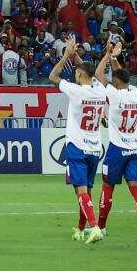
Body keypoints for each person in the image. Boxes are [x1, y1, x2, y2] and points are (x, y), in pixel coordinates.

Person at [51, 34, 106, 244]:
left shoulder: (75, 91)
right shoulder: (100, 90)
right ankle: (81, 229)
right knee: (86, 192)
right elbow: (88, 73)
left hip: (77, 147)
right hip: (94, 148)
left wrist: (66, 55)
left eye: (76, 72)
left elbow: (53, 76)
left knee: (80, 191)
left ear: (80, 75)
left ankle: (95, 227)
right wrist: (76, 56)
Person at [94, 40, 137, 237]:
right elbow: (120, 74)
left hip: (117, 148)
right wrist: (115, 57)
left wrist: (108, 55)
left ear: (116, 82)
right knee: (135, 187)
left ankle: (101, 227)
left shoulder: (114, 94)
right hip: (135, 149)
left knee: (107, 186)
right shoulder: (135, 93)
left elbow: (98, 75)